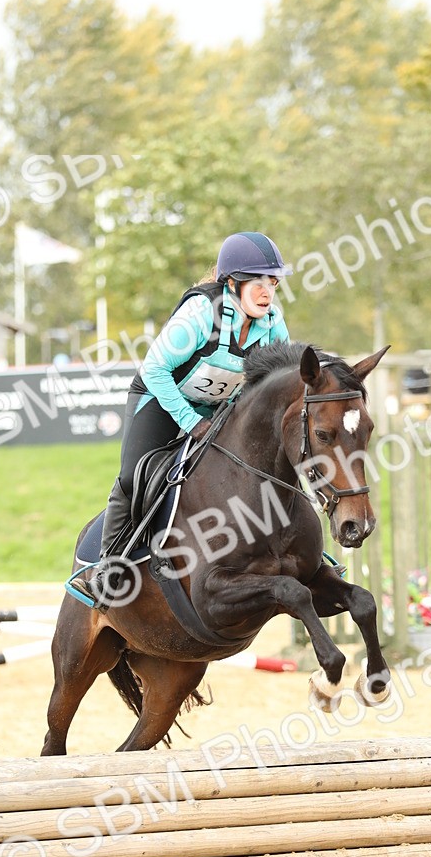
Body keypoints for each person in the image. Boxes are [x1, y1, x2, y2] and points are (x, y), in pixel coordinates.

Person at [87, 231, 292, 611]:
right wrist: (189, 420)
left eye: (273, 281)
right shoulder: (200, 314)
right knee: (135, 475)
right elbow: (155, 369)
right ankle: (108, 564)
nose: (268, 291)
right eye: (258, 281)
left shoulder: (273, 324)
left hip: (216, 408)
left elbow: (278, 380)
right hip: (160, 397)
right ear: (232, 283)